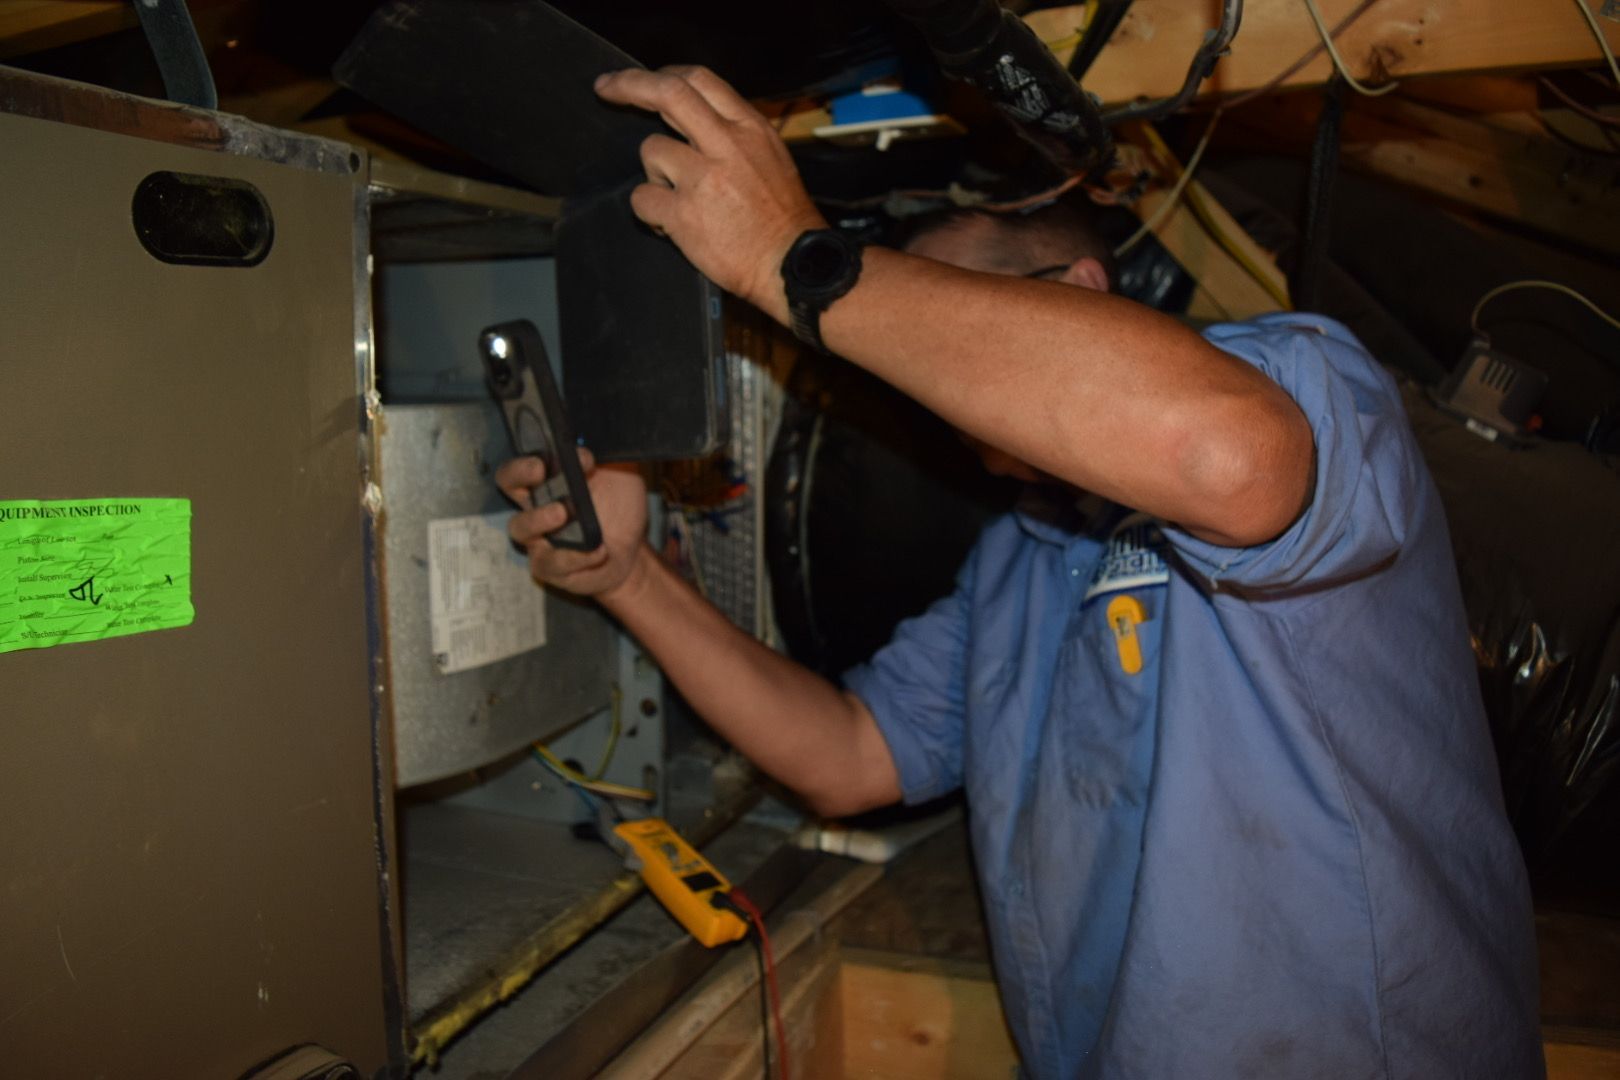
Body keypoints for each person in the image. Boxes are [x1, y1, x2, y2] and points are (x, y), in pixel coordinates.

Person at [497, 65, 1543, 1079]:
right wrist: (632, 577)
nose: (937, 384)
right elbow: (849, 758)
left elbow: (1223, 456)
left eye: (950, 316)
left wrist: (793, 259)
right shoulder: (1019, 562)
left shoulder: (1311, 382)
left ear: (1083, 290)